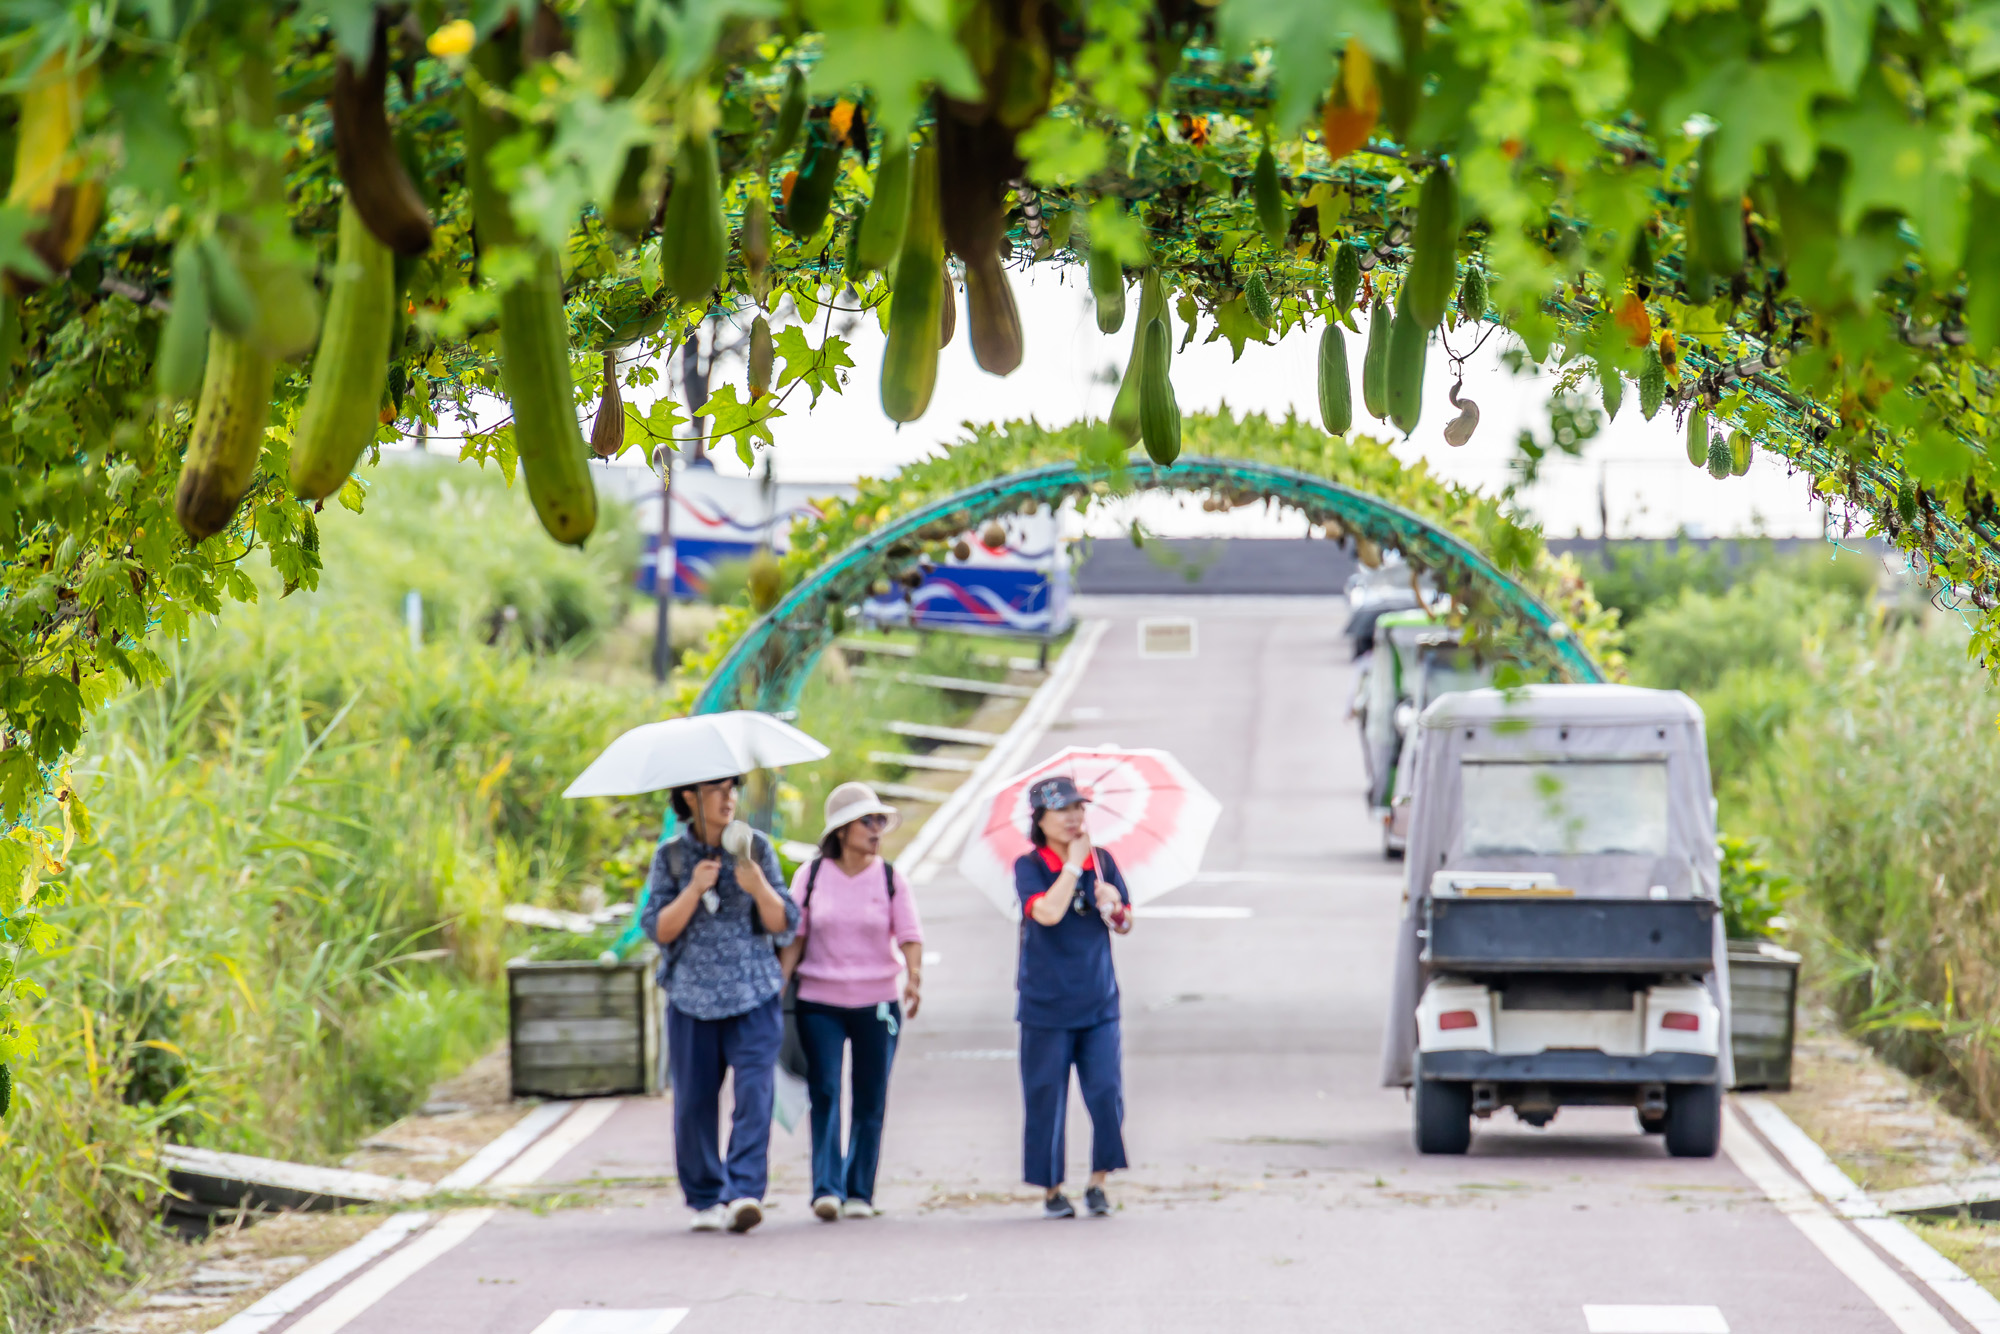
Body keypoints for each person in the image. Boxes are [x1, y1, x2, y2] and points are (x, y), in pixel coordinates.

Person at [640, 774, 798, 1235]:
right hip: (692, 997)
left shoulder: (757, 848)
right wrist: (692, 889)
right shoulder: (669, 856)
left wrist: (758, 886)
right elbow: (659, 929)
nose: (729, 798)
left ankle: (744, 1192)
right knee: (693, 1104)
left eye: (733, 789)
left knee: (755, 1095)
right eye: (717, 790)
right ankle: (706, 1196)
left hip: (753, 993)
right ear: (690, 798)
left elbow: (785, 923)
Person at [778, 782, 923, 1222]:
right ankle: (826, 1188)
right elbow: (796, 936)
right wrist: (777, 990)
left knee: (870, 1097)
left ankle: (859, 1191)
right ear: (842, 830)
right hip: (818, 1001)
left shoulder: (891, 878)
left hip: (877, 1002)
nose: (876, 828)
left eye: (880, 820)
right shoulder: (812, 875)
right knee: (824, 1091)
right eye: (867, 820)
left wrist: (914, 978)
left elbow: (910, 936)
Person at [1013, 774, 1134, 1220]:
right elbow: (1045, 912)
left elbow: (1125, 922)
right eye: (1062, 810)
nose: (1073, 817)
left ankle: (1099, 1181)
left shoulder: (1102, 862)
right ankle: (1051, 1188)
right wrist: (1071, 867)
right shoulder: (1030, 867)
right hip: (1045, 1003)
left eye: (1078, 808)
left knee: (1106, 1092)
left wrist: (1114, 902)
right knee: (1046, 1094)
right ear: (1040, 820)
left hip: (1098, 999)